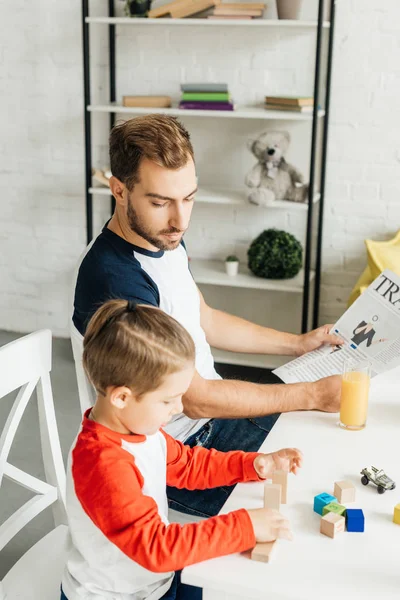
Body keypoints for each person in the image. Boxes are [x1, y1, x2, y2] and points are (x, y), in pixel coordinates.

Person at [72, 114, 341, 517]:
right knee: (317, 488)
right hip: (181, 458)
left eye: (189, 198)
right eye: (160, 202)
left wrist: (299, 343)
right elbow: (193, 398)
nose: (181, 220)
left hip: (210, 426)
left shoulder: (161, 237)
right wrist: (312, 394)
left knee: (330, 450)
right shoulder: (117, 281)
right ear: (119, 191)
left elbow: (206, 319)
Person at [61, 299, 303, 600]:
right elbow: (156, 548)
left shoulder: (138, 428)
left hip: (155, 579)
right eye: (168, 400)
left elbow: (187, 465)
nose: (179, 408)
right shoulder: (102, 464)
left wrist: (251, 465)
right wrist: (245, 527)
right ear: (122, 397)